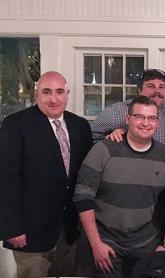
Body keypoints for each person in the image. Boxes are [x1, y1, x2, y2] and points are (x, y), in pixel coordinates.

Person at [73, 96, 165, 278]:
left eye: (151, 118)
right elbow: (82, 196)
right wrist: (95, 244)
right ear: (128, 119)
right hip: (105, 244)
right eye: (139, 116)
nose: (145, 123)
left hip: (147, 246)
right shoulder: (103, 150)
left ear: (158, 122)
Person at [0, 71, 93, 278]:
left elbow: (85, 176)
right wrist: (12, 228)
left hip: (69, 230)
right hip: (29, 231)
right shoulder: (15, 125)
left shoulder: (80, 126)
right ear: (36, 95)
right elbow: (6, 180)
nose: (54, 98)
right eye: (47, 92)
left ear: (67, 94)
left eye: (60, 92)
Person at [91, 69, 165, 145]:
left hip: (162, 169)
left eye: (161, 87)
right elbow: (90, 138)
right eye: (151, 86)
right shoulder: (114, 112)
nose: (157, 91)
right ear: (139, 90)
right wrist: (109, 139)